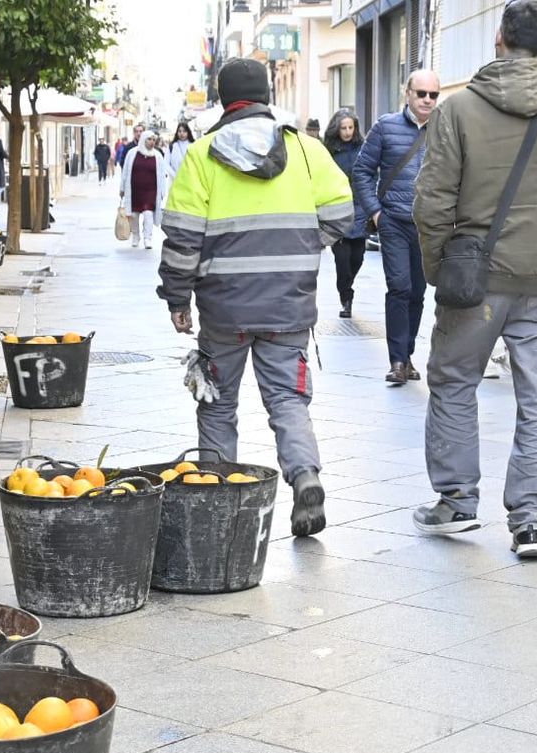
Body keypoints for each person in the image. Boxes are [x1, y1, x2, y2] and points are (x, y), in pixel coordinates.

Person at [410, 0, 537, 559]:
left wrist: (438, 271)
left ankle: (456, 500)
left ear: (497, 38)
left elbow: (431, 202)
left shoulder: (456, 110)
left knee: (452, 383)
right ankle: (529, 522)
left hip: (475, 281)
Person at [156, 58, 354, 538]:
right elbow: (342, 215)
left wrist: (177, 298)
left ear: (224, 99)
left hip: (224, 310)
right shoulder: (307, 151)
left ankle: (216, 501)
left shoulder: (201, 157)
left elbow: (182, 239)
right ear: (267, 94)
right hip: (289, 306)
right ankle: (305, 476)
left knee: (217, 403)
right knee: (287, 399)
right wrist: (301, 246)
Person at [353, 70, 441, 386]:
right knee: (400, 287)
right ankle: (397, 360)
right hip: (393, 222)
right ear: (408, 93)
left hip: (428, 226)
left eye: (434, 95)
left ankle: (408, 354)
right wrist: (375, 213)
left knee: (418, 292)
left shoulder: (444, 129)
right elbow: (362, 170)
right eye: (422, 94)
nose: (428, 100)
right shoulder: (385, 127)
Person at [324, 109, 366, 319]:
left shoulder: (363, 148)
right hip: (337, 210)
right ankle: (346, 298)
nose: (348, 132)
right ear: (337, 129)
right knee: (342, 260)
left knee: (357, 258)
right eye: (344, 128)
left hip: (359, 208)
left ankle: (347, 286)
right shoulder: (329, 151)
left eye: (351, 127)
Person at [118, 132, 169, 248]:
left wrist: (162, 192)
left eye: (153, 140)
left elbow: (162, 174)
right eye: (149, 139)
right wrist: (122, 189)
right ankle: (136, 236)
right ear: (143, 140)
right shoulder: (132, 153)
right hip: (135, 191)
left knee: (148, 214)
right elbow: (125, 171)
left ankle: (147, 238)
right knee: (134, 215)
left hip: (151, 191)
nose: (152, 142)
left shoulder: (158, 156)